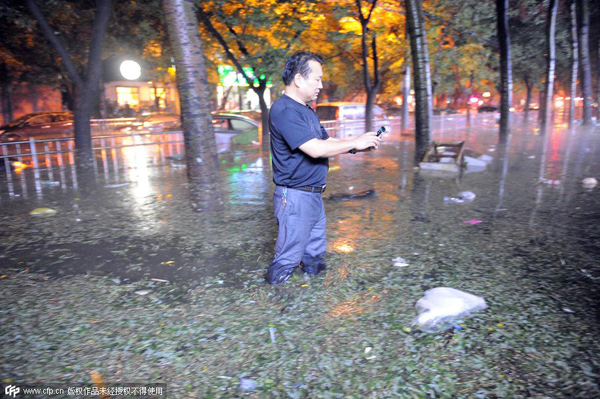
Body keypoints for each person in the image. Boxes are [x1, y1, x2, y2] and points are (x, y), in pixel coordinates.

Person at [265, 51, 382, 285]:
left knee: (315, 253)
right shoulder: (285, 110)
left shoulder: (306, 110)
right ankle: (275, 302)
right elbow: (314, 149)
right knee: (288, 257)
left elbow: (326, 142)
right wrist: (354, 144)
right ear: (299, 79)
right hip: (295, 196)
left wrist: (357, 144)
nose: (321, 84)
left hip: (313, 195)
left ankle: (313, 297)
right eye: (317, 79)